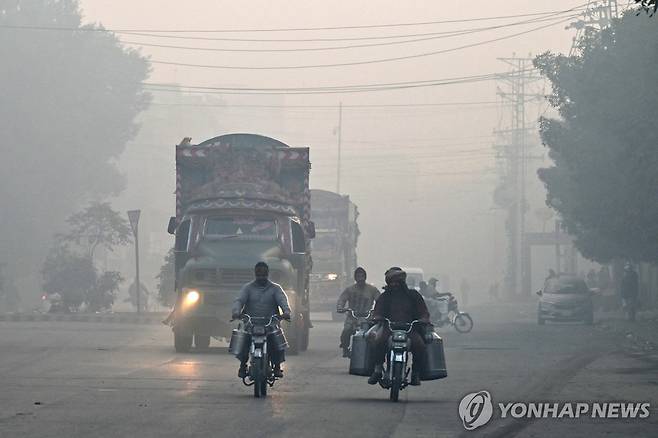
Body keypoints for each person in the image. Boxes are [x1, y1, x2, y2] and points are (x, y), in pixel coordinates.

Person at [367, 267, 430, 386]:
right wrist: (377, 317)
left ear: (403, 282)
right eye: (392, 282)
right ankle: (377, 369)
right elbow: (378, 310)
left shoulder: (413, 295)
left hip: (410, 330)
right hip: (388, 329)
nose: (395, 284)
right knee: (378, 342)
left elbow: (423, 311)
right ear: (388, 283)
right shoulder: (385, 296)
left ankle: (416, 373)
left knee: (420, 346)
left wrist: (423, 319)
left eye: (398, 282)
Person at [232, 262, 291, 378]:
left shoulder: (275, 288)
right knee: (243, 341)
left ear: (268, 274)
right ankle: (243, 365)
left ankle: (277, 366)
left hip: (270, 324)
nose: (261, 277)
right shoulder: (247, 288)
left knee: (277, 342)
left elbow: (283, 301)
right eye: (259, 275)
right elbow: (239, 300)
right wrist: (236, 312)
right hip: (251, 324)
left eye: (264, 275)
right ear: (255, 274)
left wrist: (286, 312)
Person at [336, 267, 380, 357]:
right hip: (353, 316)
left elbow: (380, 301)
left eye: (362, 276)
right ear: (355, 277)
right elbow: (342, 299)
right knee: (346, 330)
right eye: (358, 276)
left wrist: (379, 310)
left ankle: (373, 352)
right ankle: (345, 348)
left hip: (367, 317)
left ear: (365, 277)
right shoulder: (350, 289)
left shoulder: (372, 289)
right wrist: (340, 307)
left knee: (373, 334)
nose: (360, 278)